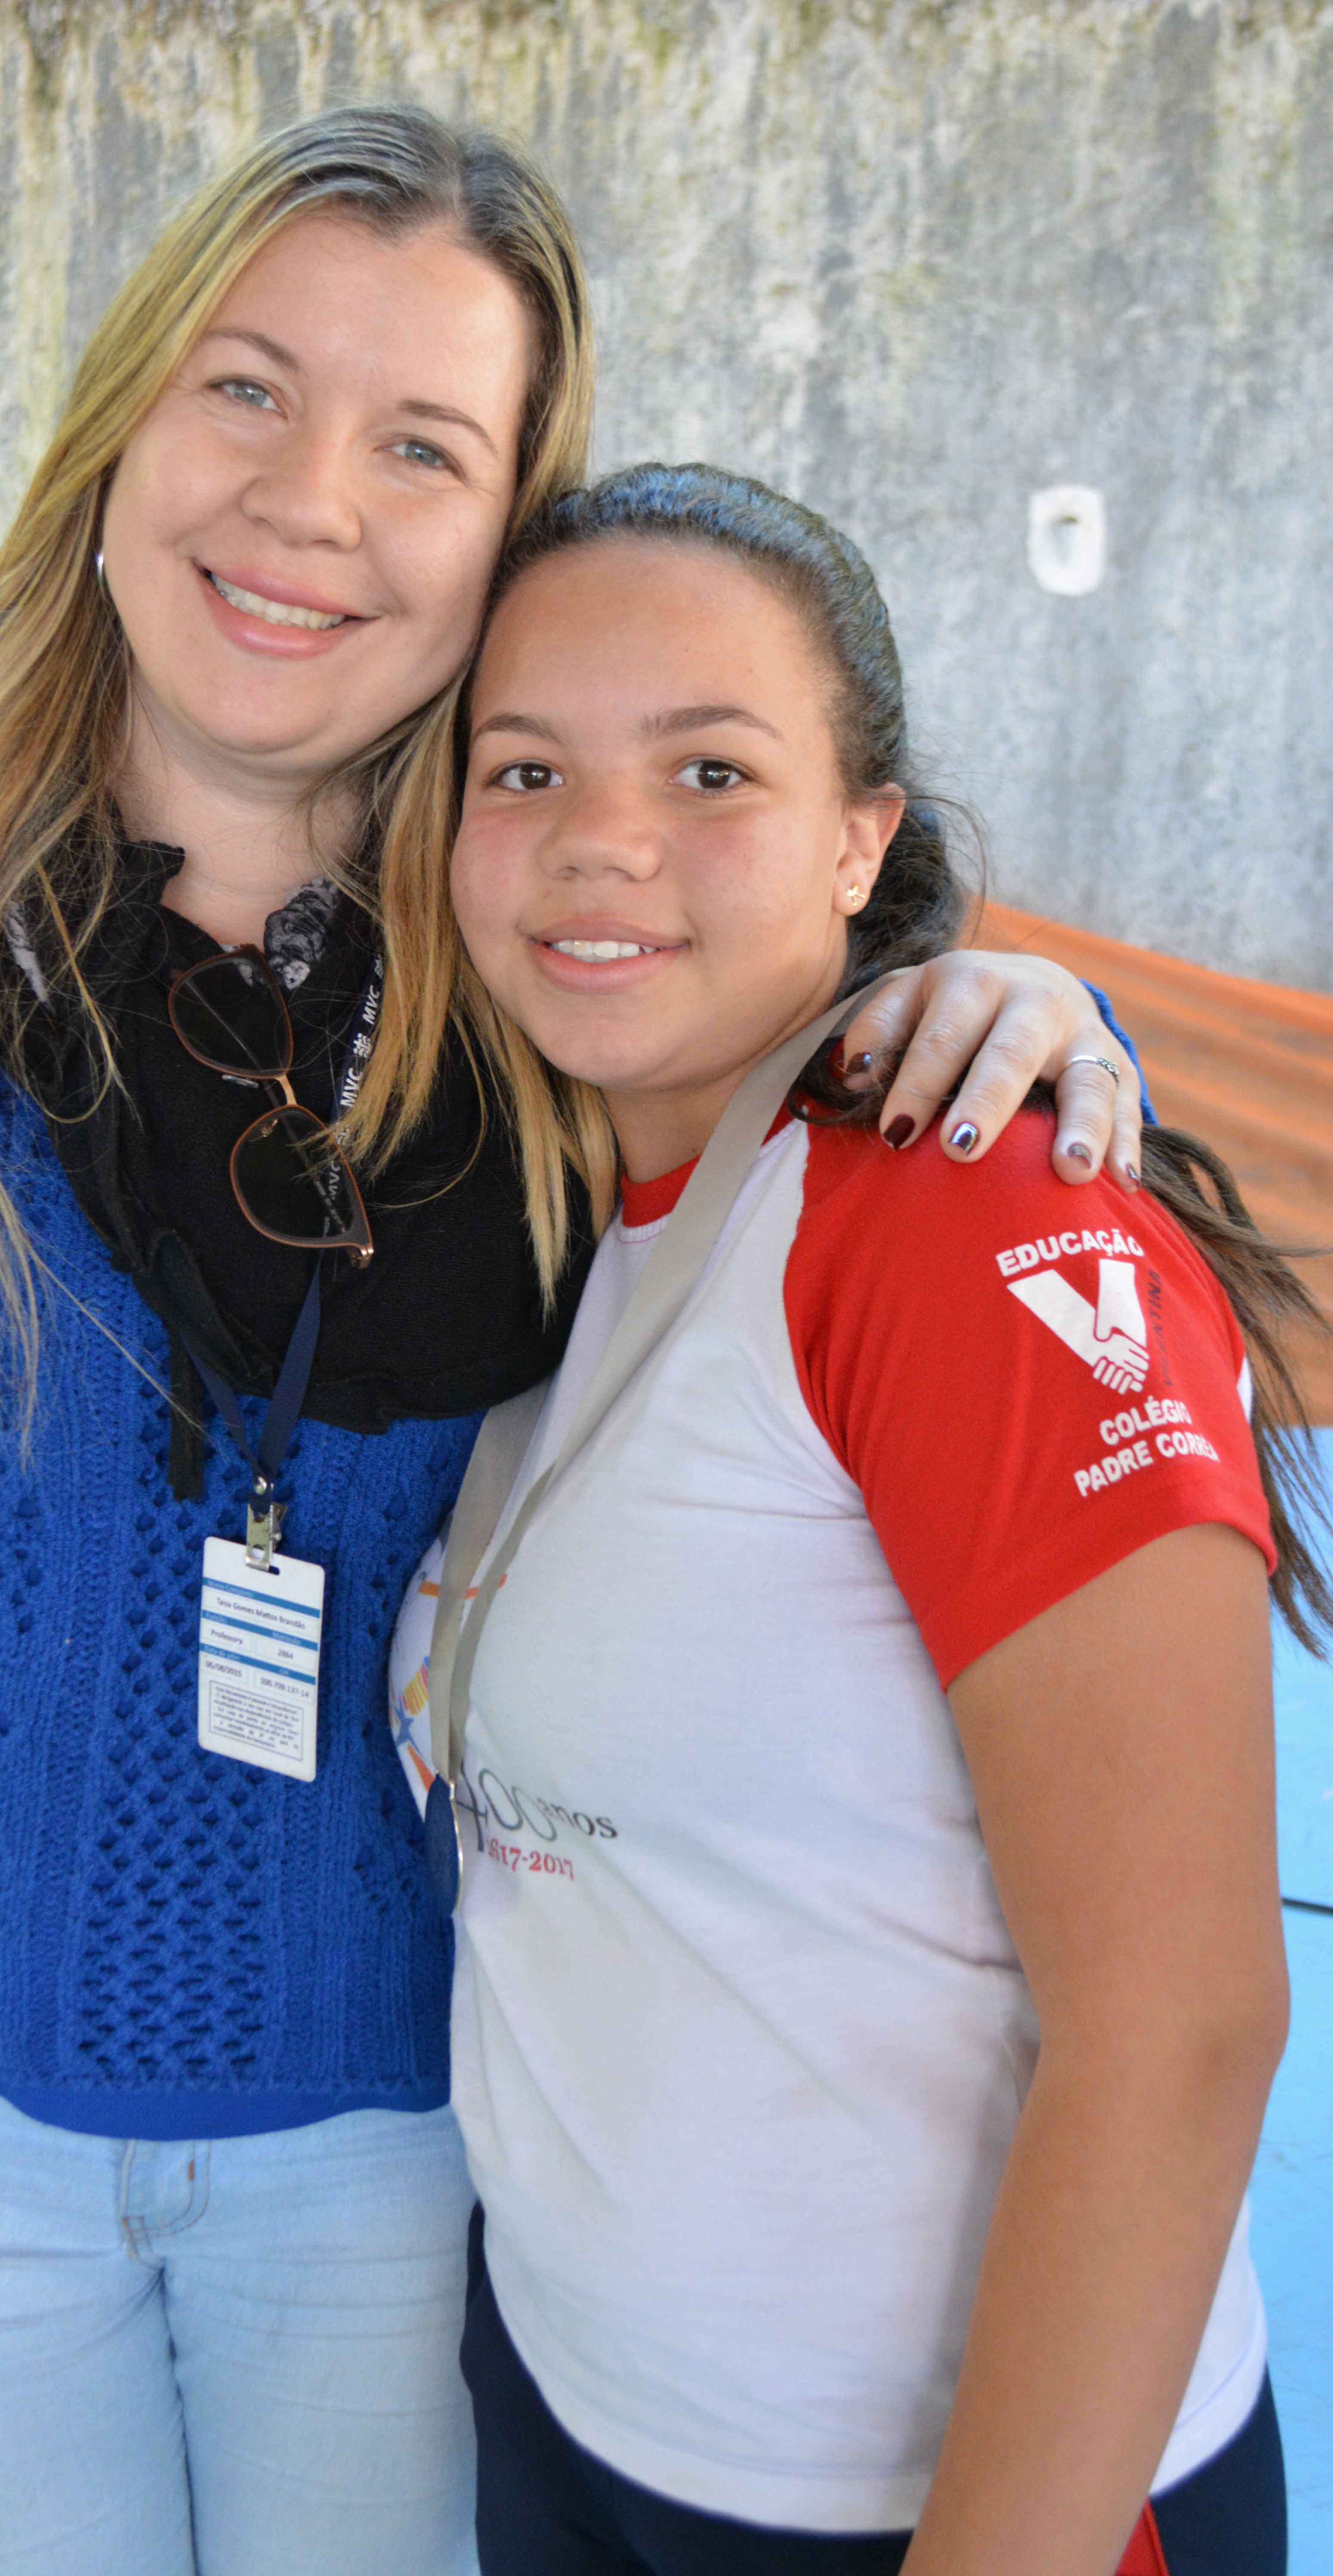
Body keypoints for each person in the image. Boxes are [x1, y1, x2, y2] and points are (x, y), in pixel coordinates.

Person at [0, 110, 1146, 2576]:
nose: (309, 502)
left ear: (500, 540)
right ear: (119, 428)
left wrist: (1027, 1008)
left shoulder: (551, 974)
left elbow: (817, 1009)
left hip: (410, 2146)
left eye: (422, 445)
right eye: (245, 388)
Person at [394, 462, 1331, 2576]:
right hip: (583, 2425)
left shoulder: (960, 1217)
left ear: (860, 835)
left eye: (708, 769)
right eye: (523, 768)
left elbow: (1182, 2028)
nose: (600, 839)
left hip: (929, 2507)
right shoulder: (560, 1209)